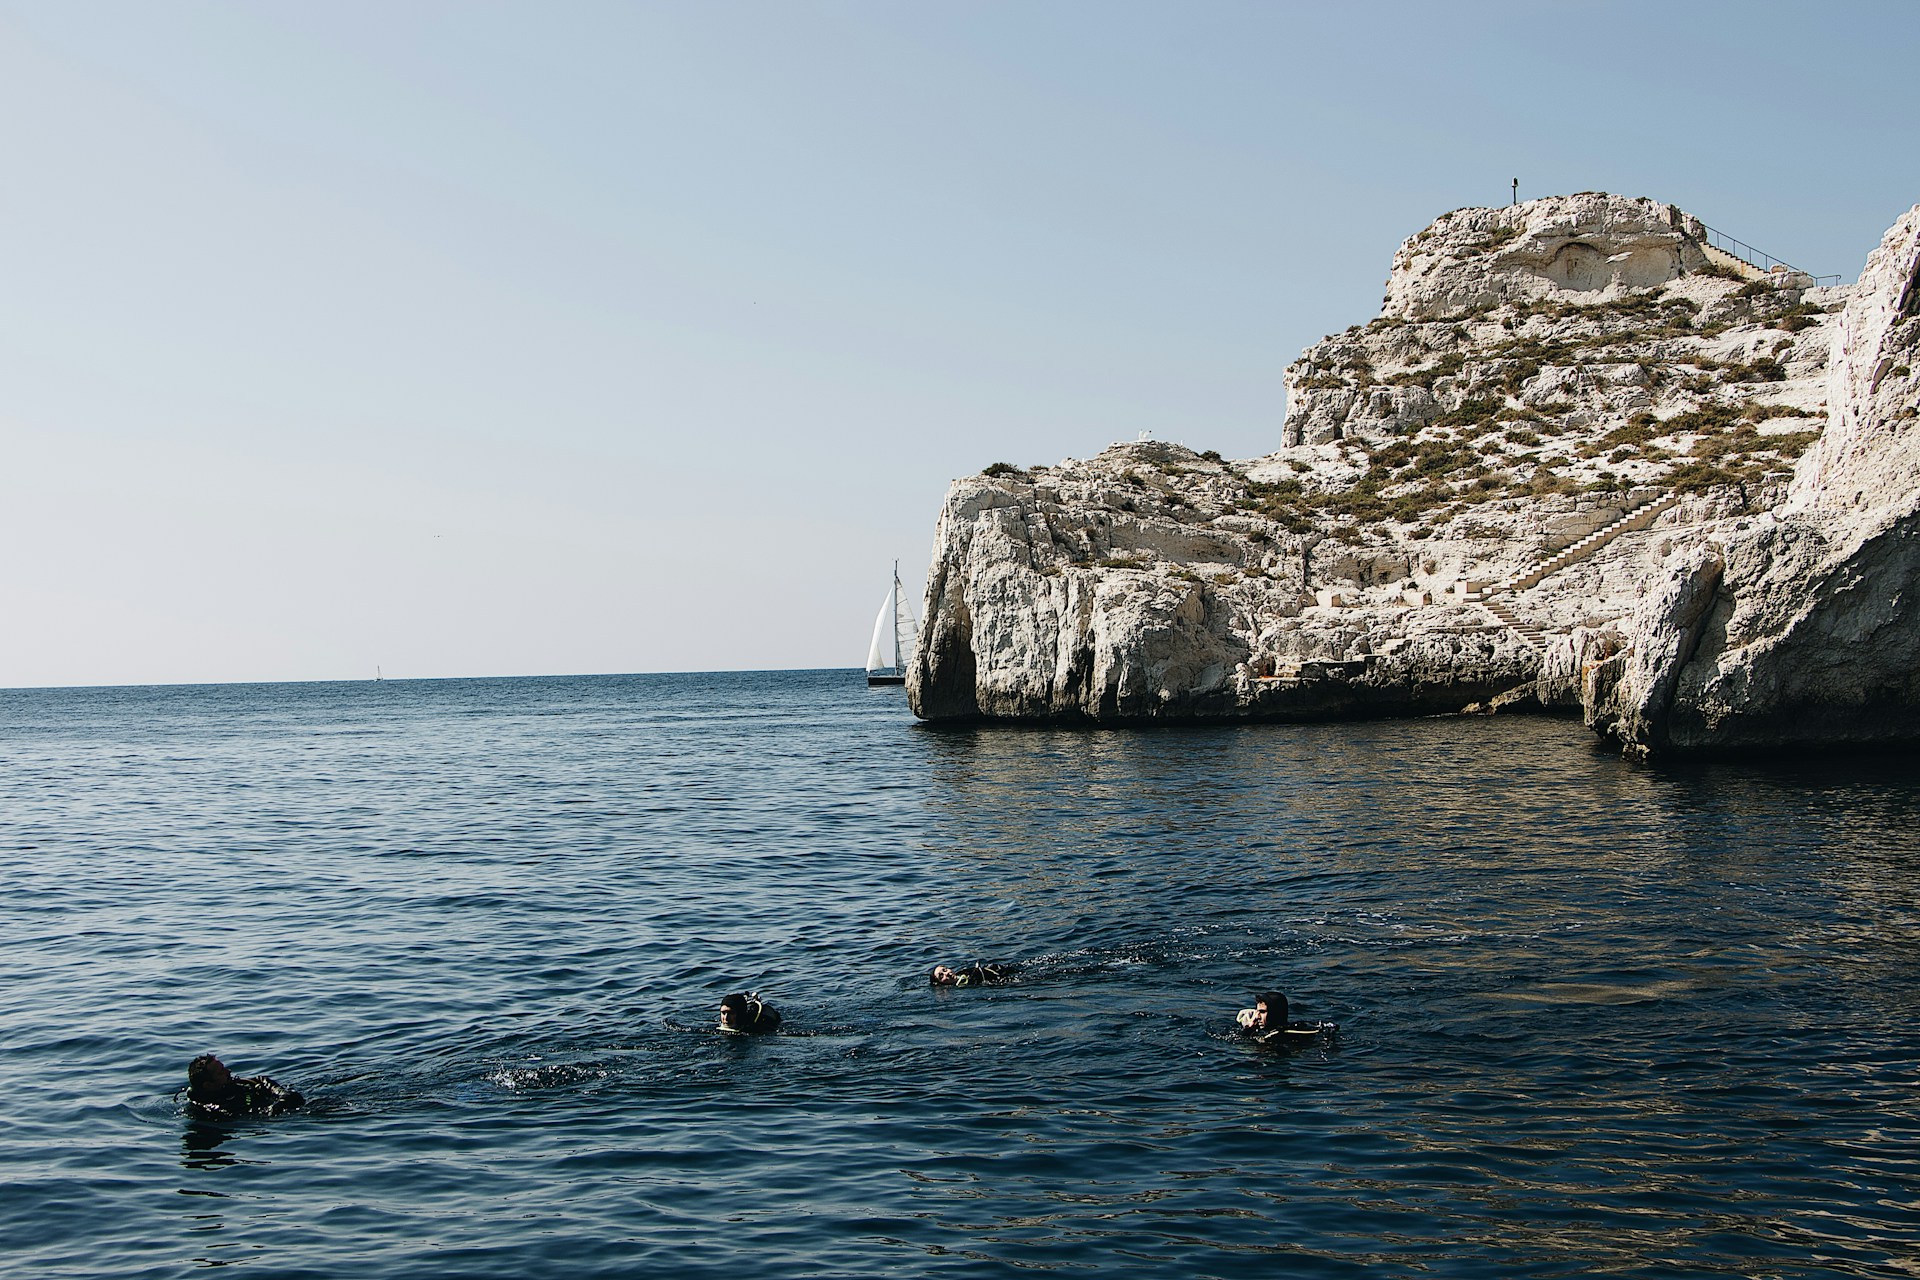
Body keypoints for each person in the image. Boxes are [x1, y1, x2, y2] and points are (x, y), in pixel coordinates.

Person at [185, 1053, 304, 1117]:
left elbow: (260, 1079)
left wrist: (281, 1094)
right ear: (208, 1085)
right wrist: (273, 1109)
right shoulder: (216, 1108)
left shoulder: (232, 1085)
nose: (228, 1072)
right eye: (221, 1072)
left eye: (224, 1068)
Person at [1233, 990, 1330, 1046]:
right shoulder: (1280, 1031)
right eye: (1257, 1011)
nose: (1257, 1017)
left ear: (1274, 1013)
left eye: (1262, 1012)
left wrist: (1248, 1029)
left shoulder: (1278, 1036)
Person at [717, 992, 782, 1035]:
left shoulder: (760, 1028)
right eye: (723, 1013)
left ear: (739, 1014)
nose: (725, 1018)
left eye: (730, 1013)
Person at [928, 961, 1016, 988]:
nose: (946, 973)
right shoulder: (961, 986)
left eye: (945, 970)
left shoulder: (962, 972)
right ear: (940, 983)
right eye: (941, 976)